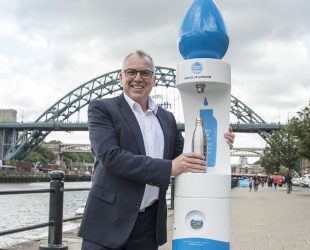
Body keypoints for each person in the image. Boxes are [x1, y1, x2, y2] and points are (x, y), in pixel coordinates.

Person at [78, 50, 235, 250]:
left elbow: (185, 156)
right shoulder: (102, 109)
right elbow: (111, 157)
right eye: (131, 72)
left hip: (148, 226)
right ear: (121, 77)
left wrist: (219, 144)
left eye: (145, 73)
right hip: (108, 222)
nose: (137, 78)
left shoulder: (166, 118)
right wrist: (169, 168)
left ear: (154, 79)